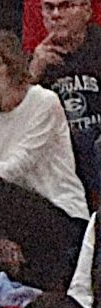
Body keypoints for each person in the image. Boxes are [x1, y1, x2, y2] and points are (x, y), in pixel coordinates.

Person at [0, 31, 91, 288]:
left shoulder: (44, 101)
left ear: (12, 65)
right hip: (17, 213)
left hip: (61, 213)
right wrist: (1, 235)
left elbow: (17, 165)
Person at [31, 0, 101, 186]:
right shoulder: (35, 61)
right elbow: (15, 117)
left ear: (87, 11)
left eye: (65, 6)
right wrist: (34, 74)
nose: (55, 15)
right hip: (59, 153)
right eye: (49, 8)